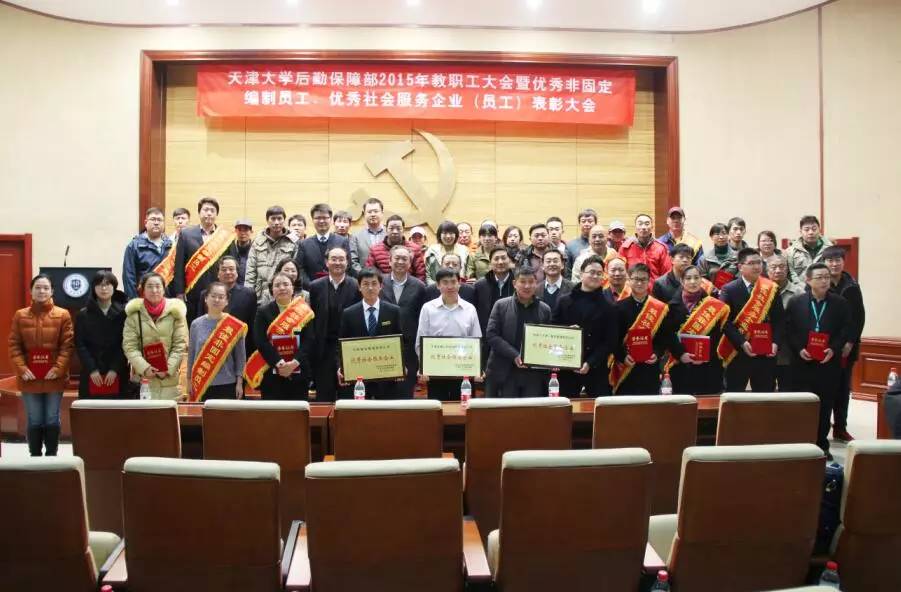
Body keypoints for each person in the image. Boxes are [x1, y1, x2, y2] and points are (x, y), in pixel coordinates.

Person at [786, 263, 849, 458]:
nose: (824, 281)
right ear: (808, 280)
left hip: (827, 363)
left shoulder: (840, 303)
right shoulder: (796, 302)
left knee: (825, 404)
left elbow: (844, 330)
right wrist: (799, 349)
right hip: (802, 363)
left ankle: (822, 444)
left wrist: (834, 349)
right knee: (802, 404)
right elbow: (790, 330)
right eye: (819, 277)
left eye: (826, 277)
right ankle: (800, 442)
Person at [8, 274, 74, 456]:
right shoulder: (20, 315)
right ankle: (35, 456)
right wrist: (22, 369)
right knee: (34, 419)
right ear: (31, 291)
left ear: (52, 291)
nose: (41, 291)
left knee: (52, 418)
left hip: (54, 376)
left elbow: (67, 346)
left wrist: (58, 368)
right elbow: (14, 345)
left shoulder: (63, 314)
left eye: (46, 288)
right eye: (37, 287)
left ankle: (51, 455)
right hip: (29, 377)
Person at [718, 248, 785, 392]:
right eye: (751, 263)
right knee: (735, 397)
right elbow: (724, 321)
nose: (756, 266)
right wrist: (742, 343)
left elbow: (779, 320)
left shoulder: (771, 288)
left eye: (759, 262)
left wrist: (775, 343)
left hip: (765, 354)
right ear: (740, 267)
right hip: (737, 352)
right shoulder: (729, 289)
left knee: (764, 397)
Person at [552, 255, 617, 397]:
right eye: (591, 272)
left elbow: (610, 342)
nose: (595, 276)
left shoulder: (609, 306)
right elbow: (553, 331)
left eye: (599, 273)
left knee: (599, 407)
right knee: (565, 407)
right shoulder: (564, 301)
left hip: (596, 368)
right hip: (566, 368)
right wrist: (566, 332)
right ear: (581, 274)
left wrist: (590, 363)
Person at [485, 266, 553, 397]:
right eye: (522, 282)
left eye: (531, 282)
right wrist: (515, 355)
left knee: (531, 408)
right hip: (505, 370)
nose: (527, 286)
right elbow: (491, 335)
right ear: (514, 283)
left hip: (533, 373)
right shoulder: (501, 305)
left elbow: (548, 340)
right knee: (507, 408)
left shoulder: (545, 309)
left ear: (536, 283)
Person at [416, 267, 482, 401]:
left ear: (459, 283)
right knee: (438, 408)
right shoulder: (428, 308)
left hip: (463, 371)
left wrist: (477, 368)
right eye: (445, 282)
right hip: (436, 370)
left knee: (464, 408)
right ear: (438, 285)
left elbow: (477, 341)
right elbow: (420, 342)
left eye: (453, 282)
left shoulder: (470, 309)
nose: (450, 286)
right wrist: (423, 367)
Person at [246, 272, 315, 401]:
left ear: (293, 288)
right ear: (272, 290)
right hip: (271, 371)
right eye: (277, 285)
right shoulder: (263, 311)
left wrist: (294, 363)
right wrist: (279, 363)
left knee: (298, 411)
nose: (282, 288)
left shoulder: (304, 310)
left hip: (299, 372)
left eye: (286, 284)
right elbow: (260, 341)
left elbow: (309, 340)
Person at [663, 265, 730, 395]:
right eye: (688, 278)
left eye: (696, 277)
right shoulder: (671, 306)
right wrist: (681, 354)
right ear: (682, 281)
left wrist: (705, 355)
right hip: (682, 365)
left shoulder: (714, 305)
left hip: (709, 365)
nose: (693, 282)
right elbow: (668, 335)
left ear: (701, 280)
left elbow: (718, 335)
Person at [338, 268, 403, 399]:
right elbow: (341, 344)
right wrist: (341, 367)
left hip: (386, 377)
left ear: (381, 286)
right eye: (366, 284)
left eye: (374, 283)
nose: (370, 288)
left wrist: (402, 364)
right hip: (359, 378)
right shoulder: (349, 313)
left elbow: (402, 341)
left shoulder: (393, 311)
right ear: (359, 287)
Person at [122, 272, 189, 400]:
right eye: (150, 286)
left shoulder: (176, 312)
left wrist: (168, 368)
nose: (154, 290)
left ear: (164, 289)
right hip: (144, 381)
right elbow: (129, 346)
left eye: (158, 286)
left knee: (169, 412)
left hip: (170, 382)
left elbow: (180, 344)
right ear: (143, 290)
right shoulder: (134, 314)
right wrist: (144, 368)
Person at [307, 247, 361, 401]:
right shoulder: (315, 287)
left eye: (341, 259)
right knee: (324, 396)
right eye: (334, 259)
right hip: (323, 350)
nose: (338, 263)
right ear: (326, 262)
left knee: (348, 397)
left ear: (347, 262)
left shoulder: (356, 286)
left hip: (349, 349)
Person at [824, 246, 865, 442]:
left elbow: (859, 318)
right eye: (830, 260)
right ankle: (820, 428)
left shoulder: (852, 286)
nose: (834, 264)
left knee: (842, 389)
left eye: (837, 260)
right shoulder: (819, 282)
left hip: (846, 347)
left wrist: (850, 341)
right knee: (824, 388)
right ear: (824, 262)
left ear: (843, 261)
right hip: (823, 345)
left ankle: (840, 427)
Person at [173, 197, 234, 326]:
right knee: (195, 326)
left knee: (216, 327)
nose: (209, 213)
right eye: (205, 210)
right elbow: (179, 265)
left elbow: (231, 264)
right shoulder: (186, 234)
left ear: (216, 214)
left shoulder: (225, 236)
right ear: (199, 213)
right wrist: (179, 293)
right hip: (192, 292)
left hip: (218, 293)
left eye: (212, 210)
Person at [610, 263, 669, 395]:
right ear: (629, 280)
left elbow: (664, 338)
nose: (639, 283)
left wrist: (656, 353)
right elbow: (613, 339)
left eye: (643, 279)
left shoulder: (659, 308)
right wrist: (623, 357)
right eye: (636, 279)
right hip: (626, 368)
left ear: (649, 281)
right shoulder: (618, 308)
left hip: (649, 368)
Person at [381, 245, 428, 397]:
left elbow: (422, 318)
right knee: (383, 394)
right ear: (389, 261)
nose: (400, 262)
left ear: (410, 263)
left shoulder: (419, 286)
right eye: (397, 258)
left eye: (404, 259)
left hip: (409, 348)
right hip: (383, 346)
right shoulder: (379, 282)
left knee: (405, 394)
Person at [187, 282, 247, 401]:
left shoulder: (234, 325)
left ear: (227, 301)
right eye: (213, 296)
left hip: (228, 383)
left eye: (221, 297)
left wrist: (240, 383)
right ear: (206, 298)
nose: (216, 300)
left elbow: (240, 358)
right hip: (201, 382)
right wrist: (189, 380)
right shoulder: (196, 324)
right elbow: (191, 355)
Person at [75, 271, 130, 399]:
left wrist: (115, 369)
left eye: (107, 284)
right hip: (92, 372)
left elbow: (126, 342)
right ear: (94, 288)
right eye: (99, 285)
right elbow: (80, 344)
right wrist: (92, 369)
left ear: (114, 287)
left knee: (116, 409)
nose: (104, 288)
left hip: (117, 372)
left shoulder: (124, 313)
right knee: (91, 410)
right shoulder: (83, 314)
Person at [196, 256, 257, 354]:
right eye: (224, 270)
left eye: (231, 269)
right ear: (218, 273)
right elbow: (200, 323)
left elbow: (252, 326)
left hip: (240, 348)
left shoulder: (249, 294)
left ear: (237, 273)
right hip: (212, 349)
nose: (228, 272)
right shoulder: (205, 294)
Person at [244, 205, 297, 304]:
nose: (276, 222)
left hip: (284, 293)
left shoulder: (293, 242)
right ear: (267, 221)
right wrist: (247, 294)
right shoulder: (258, 242)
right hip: (260, 296)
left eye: (279, 219)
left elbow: (296, 272)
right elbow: (250, 271)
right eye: (273, 219)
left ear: (284, 220)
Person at [767, 253, 804, 391]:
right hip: (765, 348)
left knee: (788, 390)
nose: (778, 270)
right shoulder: (759, 292)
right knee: (764, 390)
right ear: (767, 269)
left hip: (789, 350)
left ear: (787, 269)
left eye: (782, 267)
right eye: (773, 267)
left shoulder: (799, 292)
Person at [122, 207, 174, 299]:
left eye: (159, 220)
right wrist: (134, 301)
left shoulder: (172, 245)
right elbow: (128, 277)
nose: (156, 223)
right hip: (143, 299)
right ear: (146, 223)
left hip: (167, 299)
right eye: (153, 219)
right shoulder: (134, 246)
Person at [294, 203, 351, 285]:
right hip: (311, 289)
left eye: (324, 218)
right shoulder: (304, 244)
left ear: (331, 219)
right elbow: (300, 269)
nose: (321, 221)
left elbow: (348, 267)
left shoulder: (342, 241)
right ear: (312, 220)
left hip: (337, 287)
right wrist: (311, 285)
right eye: (317, 218)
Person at [474, 248, 514, 353]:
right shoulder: (479, 285)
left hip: (512, 339)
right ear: (490, 263)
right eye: (496, 259)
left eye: (503, 258)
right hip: (486, 338)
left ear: (510, 261)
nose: (500, 262)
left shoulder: (518, 283)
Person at [365, 214, 427, 281]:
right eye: (391, 228)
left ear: (403, 230)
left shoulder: (415, 249)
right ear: (386, 229)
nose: (395, 232)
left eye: (398, 228)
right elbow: (369, 273)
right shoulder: (375, 250)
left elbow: (420, 274)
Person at [618, 213, 672, 283]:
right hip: (632, 288)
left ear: (652, 227)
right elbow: (621, 272)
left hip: (655, 288)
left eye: (647, 224)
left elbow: (666, 273)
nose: (643, 227)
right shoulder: (625, 248)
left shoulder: (661, 248)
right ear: (635, 227)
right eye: (640, 224)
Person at [785, 215, 835, 280]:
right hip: (799, 286)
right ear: (801, 232)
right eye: (806, 230)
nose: (811, 232)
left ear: (819, 230)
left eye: (814, 229)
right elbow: (791, 274)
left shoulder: (830, 248)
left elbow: (834, 272)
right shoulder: (791, 251)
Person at [425, 220, 469, 285]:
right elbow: (428, 275)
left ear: (456, 235)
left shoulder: (464, 250)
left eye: (451, 233)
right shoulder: (432, 250)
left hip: (460, 286)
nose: (448, 236)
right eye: (445, 233)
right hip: (436, 286)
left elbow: (468, 272)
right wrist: (437, 287)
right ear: (439, 235)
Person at [349, 197, 386, 275]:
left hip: (387, 279)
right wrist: (363, 276)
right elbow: (353, 261)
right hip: (363, 279)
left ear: (382, 213)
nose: (373, 214)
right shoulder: (356, 236)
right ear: (364, 214)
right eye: (369, 212)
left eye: (376, 211)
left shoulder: (389, 234)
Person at [698, 223, 739, 287]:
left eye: (724, 233)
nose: (721, 237)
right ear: (711, 237)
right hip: (711, 292)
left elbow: (741, 278)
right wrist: (714, 290)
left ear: (728, 235)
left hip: (733, 291)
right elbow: (701, 280)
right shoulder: (704, 258)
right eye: (717, 234)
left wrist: (729, 290)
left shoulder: (738, 257)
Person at [231, 219, 253, 284]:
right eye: (240, 230)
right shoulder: (230, 249)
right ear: (235, 231)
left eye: (246, 230)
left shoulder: (256, 249)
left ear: (251, 231)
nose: (242, 233)